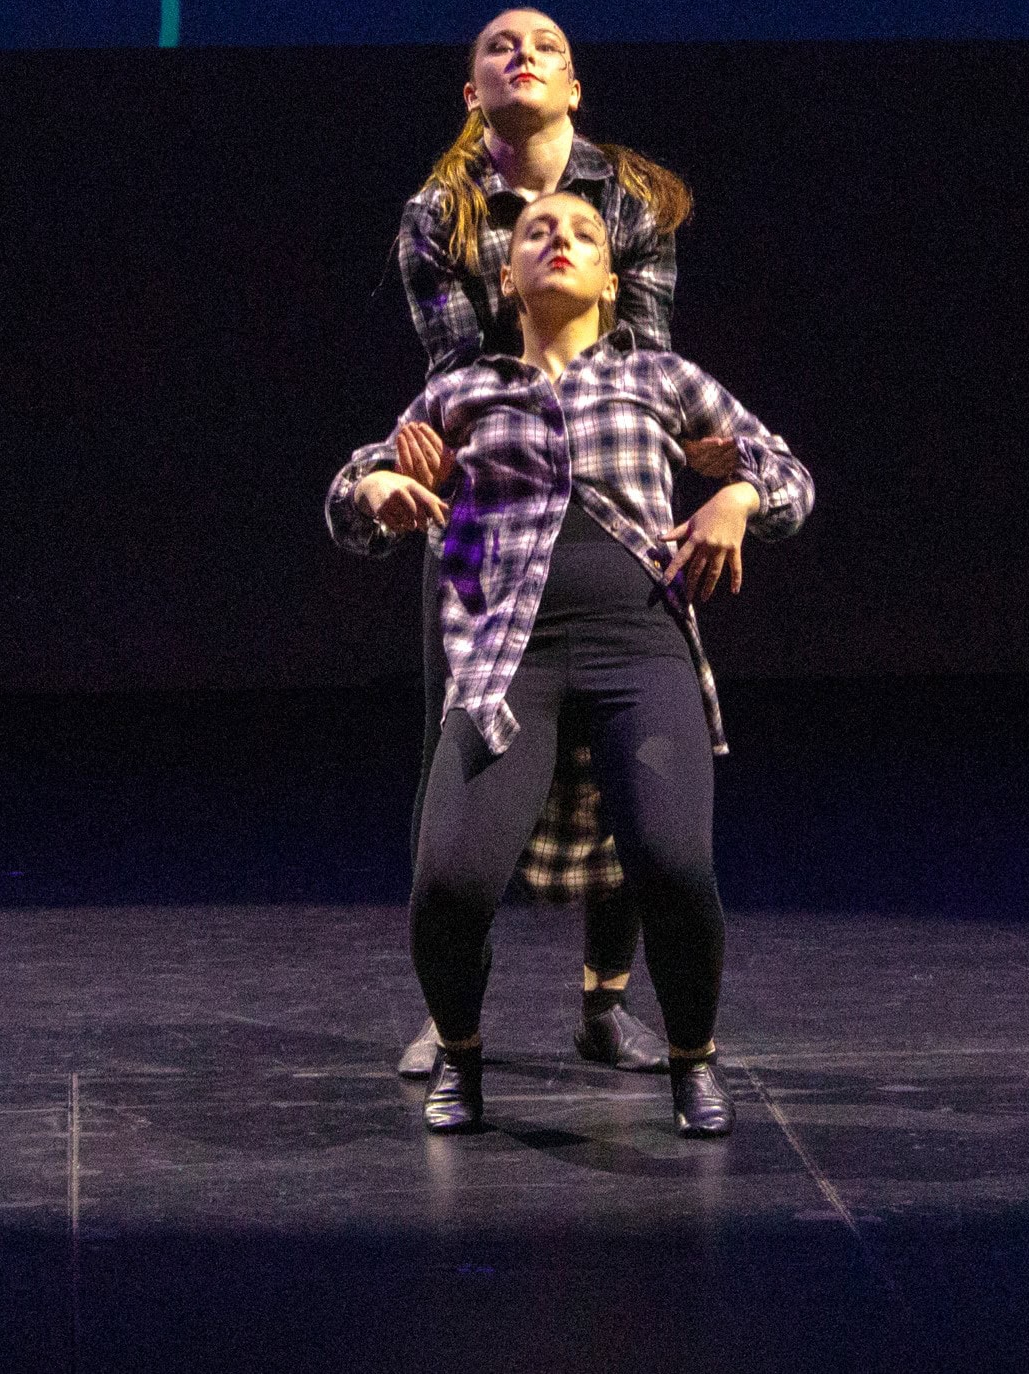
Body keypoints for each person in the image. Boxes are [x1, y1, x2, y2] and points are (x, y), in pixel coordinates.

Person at [329, 191, 814, 1134]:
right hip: (506, 663)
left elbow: (785, 470)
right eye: (537, 233)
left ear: (612, 281)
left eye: (584, 233)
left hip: (640, 648)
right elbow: (352, 496)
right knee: (450, 882)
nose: (559, 240)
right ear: (507, 279)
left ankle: (692, 1060)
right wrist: (382, 483)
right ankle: (462, 1055)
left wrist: (737, 499)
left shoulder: (661, 377)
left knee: (674, 866)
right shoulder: (464, 392)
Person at [390, 6, 739, 1082]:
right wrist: (422, 451)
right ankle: (451, 1003)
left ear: (574, 86)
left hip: (604, 487)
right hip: (491, 502)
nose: (523, 57)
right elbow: (460, 372)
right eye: (499, 48)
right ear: (473, 93)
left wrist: (694, 453)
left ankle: (605, 999)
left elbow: (640, 348)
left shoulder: (627, 199)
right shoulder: (439, 214)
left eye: (545, 47)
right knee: (456, 752)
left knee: (635, 773)